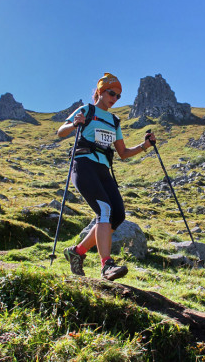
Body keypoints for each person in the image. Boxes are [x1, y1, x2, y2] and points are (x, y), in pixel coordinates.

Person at [57, 73, 156, 280]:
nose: (115, 98)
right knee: (104, 210)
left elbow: (123, 153)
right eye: (112, 93)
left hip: (103, 171)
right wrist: (75, 124)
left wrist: (145, 146)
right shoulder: (87, 110)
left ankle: (77, 252)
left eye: (119, 96)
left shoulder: (114, 120)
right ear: (101, 92)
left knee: (117, 215)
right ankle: (106, 265)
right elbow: (60, 132)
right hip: (83, 166)